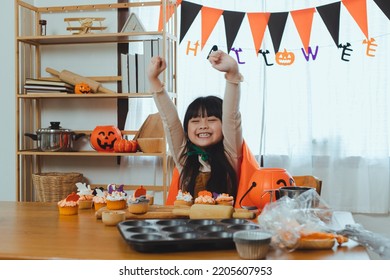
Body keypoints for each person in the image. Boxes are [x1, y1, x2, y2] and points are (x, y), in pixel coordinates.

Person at [147, 50, 244, 204]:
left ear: (223, 125)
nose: (203, 126)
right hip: (188, 227)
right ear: (187, 128)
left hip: (224, 227)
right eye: (195, 121)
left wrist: (232, 74)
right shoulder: (184, 158)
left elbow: (231, 116)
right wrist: (153, 80)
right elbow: (171, 122)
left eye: (211, 120)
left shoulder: (231, 154)